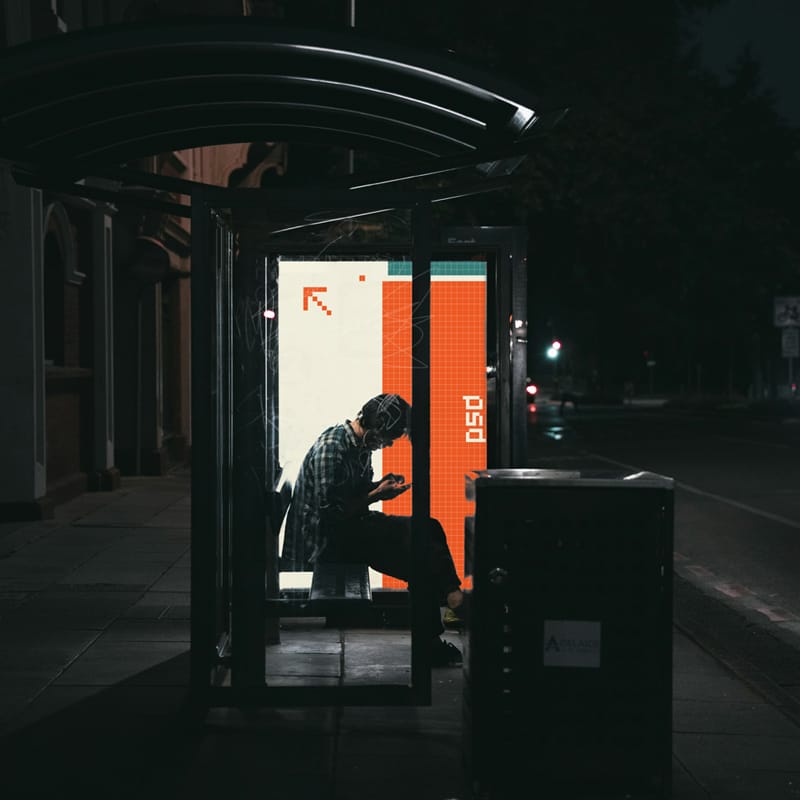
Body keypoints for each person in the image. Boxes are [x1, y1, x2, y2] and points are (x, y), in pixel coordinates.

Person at [284, 393, 464, 666]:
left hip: (351, 528)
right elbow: (330, 515)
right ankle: (449, 608)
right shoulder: (333, 447)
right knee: (420, 556)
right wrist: (375, 496)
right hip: (328, 540)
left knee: (428, 527)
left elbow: (350, 497)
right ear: (373, 426)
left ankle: (450, 594)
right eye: (386, 437)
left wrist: (380, 485)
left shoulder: (357, 447)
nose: (388, 444)